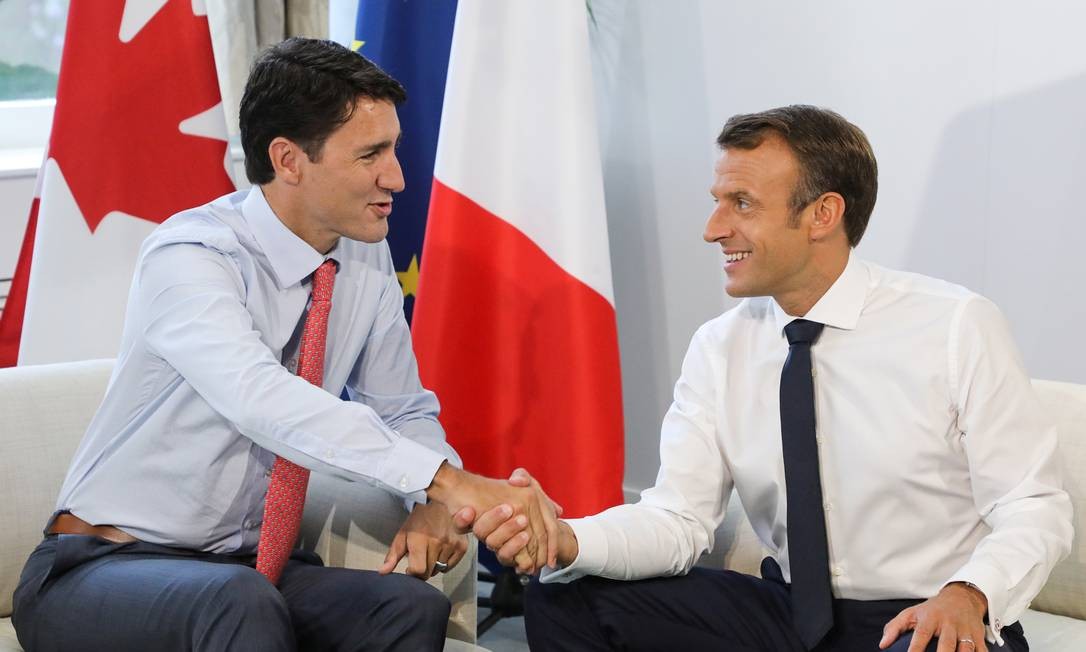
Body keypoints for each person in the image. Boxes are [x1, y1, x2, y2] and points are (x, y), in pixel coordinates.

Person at [11, 37, 557, 652]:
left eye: (394, 148)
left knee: (406, 608)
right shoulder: (192, 254)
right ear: (289, 159)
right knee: (236, 600)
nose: (397, 177)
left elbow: (403, 410)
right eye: (370, 154)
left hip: (242, 572)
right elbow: (259, 397)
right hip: (100, 568)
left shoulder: (365, 259)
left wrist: (430, 498)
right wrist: (445, 480)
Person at [471, 105, 1073, 651]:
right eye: (718, 200)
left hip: (924, 616)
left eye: (742, 203)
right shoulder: (720, 346)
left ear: (822, 215)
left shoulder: (955, 325)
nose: (713, 228)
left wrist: (970, 593)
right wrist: (567, 539)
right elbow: (677, 519)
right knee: (568, 594)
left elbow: (1033, 505)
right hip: (786, 615)